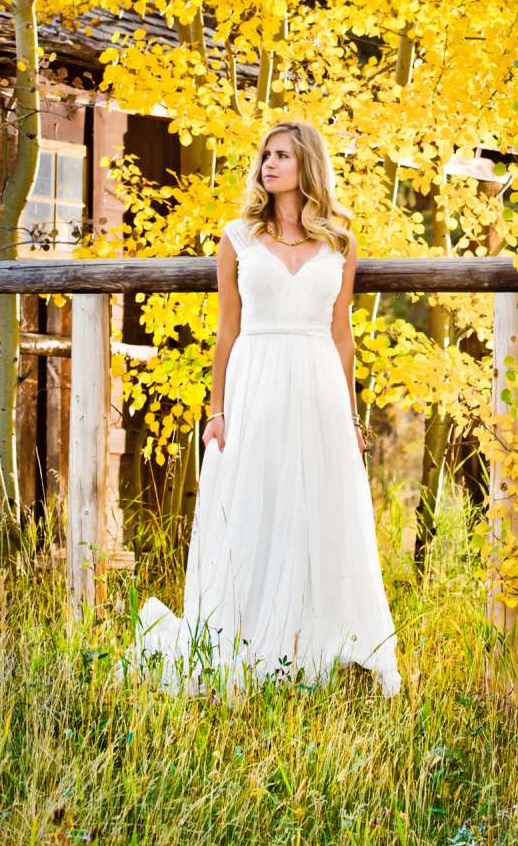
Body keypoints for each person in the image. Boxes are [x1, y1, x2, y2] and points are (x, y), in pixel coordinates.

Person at [127, 119, 403, 697]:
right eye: (265, 156)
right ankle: (246, 640)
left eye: (281, 155)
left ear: (307, 164)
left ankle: (314, 642)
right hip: (255, 380)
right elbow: (226, 331)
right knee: (256, 504)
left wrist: (352, 416)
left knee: (319, 511)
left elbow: (342, 333)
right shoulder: (238, 237)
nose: (268, 164)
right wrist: (217, 408)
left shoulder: (340, 242)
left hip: (319, 387)